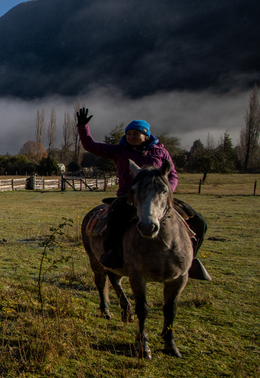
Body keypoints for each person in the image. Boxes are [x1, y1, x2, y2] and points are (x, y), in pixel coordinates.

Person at [76, 107, 210, 280]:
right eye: (128, 133)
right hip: (128, 197)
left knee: (199, 222)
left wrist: (166, 191)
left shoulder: (160, 152)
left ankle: (190, 259)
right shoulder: (119, 150)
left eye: (135, 133)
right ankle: (113, 254)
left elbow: (173, 174)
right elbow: (91, 146)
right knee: (115, 220)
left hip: (159, 197)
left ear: (145, 135)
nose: (130, 136)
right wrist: (82, 127)